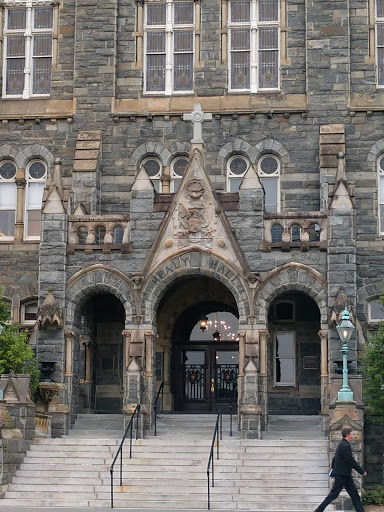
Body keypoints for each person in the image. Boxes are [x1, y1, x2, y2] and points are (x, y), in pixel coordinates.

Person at [314, 427, 367, 512]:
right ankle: (318, 510)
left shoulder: (341, 444)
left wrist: (333, 471)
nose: (352, 436)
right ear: (347, 435)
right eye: (351, 434)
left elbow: (335, 459)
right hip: (342, 476)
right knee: (333, 495)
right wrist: (361, 471)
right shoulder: (345, 446)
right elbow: (350, 460)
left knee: (354, 495)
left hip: (345, 475)